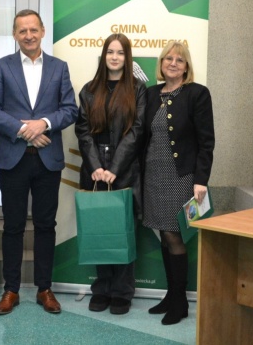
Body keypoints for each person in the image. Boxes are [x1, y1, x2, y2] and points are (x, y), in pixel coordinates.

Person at [0, 9, 78, 315]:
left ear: (43, 31)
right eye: (22, 30)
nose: (28, 35)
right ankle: (10, 290)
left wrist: (44, 124)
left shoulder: (59, 68)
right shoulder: (2, 66)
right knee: (12, 226)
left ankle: (44, 289)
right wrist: (25, 131)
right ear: (14, 34)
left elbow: (70, 109)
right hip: (13, 159)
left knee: (46, 225)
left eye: (33, 29)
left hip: (48, 160)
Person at [141, 40, 215, 325]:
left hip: (181, 176)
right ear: (161, 64)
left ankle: (180, 301)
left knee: (174, 235)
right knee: (163, 233)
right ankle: (171, 295)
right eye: (168, 58)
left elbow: (206, 141)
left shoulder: (197, 94)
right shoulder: (151, 94)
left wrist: (201, 180)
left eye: (179, 60)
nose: (173, 63)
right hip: (153, 175)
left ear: (186, 67)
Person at [75, 33, 146, 315]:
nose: (115, 57)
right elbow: (82, 131)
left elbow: (137, 131)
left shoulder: (138, 89)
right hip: (94, 171)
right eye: (110, 52)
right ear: (104, 56)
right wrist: (96, 167)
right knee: (99, 229)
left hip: (124, 171)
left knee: (123, 231)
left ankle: (122, 292)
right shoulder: (89, 89)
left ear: (127, 58)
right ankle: (102, 289)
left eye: (120, 53)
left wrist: (114, 169)